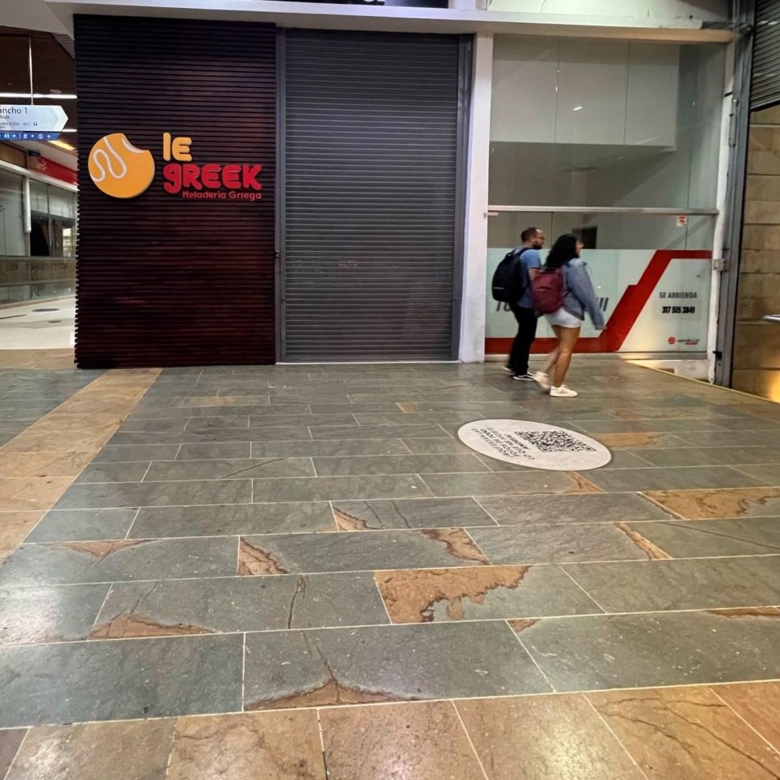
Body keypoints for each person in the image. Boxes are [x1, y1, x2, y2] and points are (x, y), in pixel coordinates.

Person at [533, 234, 604, 398]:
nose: (581, 246)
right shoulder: (575, 265)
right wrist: (598, 319)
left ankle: (542, 373)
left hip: (552, 311)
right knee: (566, 350)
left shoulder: (550, 264)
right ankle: (557, 387)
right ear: (571, 247)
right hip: (570, 311)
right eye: (578, 243)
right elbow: (586, 293)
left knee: (562, 345)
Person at [505, 227, 545, 380]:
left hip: (515, 299)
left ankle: (513, 364)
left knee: (523, 333)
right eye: (541, 238)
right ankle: (521, 370)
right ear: (531, 238)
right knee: (527, 336)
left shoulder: (517, 251)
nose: (543, 241)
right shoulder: (532, 254)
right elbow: (534, 278)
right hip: (527, 301)